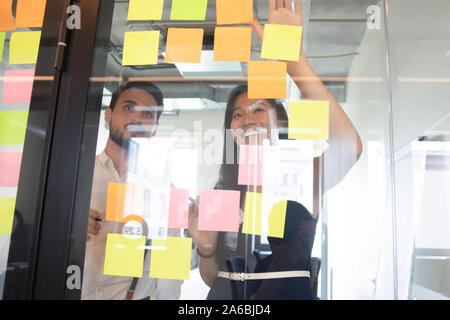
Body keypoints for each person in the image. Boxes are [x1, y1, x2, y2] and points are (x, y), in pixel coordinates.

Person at [188, 0, 362, 300]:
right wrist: (204, 248)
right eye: (238, 114)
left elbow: (349, 146)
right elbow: (213, 279)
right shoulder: (223, 190)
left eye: (259, 109)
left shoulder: (302, 178)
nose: (248, 120)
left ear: (279, 122)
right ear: (231, 130)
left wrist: (295, 63)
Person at [82, 82, 183, 300]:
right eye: (128, 108)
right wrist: (67, 229)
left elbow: (170, 275)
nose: (136, 118)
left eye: (147, 114)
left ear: (155, 127)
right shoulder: (76, 177)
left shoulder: (167, 193)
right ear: (108, 115)